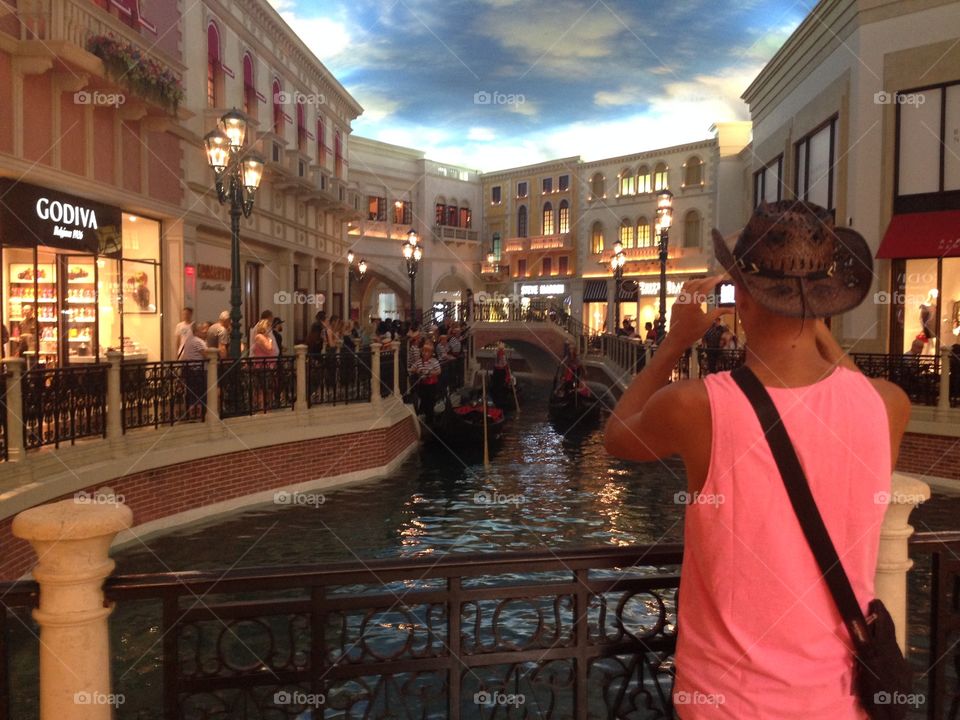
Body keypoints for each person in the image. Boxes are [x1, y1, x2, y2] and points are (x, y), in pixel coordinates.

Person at [604, 201, 910, 719]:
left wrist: (676, 341)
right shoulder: (887, 405)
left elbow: (618, 436)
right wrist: (812, 320)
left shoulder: (696, 405)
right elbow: (850, 386)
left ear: (740, 297)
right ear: (826, 303)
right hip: (841, 705)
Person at [180, 321, 209, 419]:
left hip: (189, 370)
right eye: (202, 330)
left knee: (192, 393)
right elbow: (207, 355)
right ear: (197, 331)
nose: (204, 332)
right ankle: (199, 414)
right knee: (199, 393)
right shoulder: (198, 341)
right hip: (197, 370)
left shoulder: (189, 340)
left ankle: (191, 414)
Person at [411, 341, 441, 422]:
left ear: (431, 353)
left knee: (430, 401)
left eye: (427, 351)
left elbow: (438, 371)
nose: (425, 353)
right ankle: (426, 415)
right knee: (424, 400)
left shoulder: (434, 361)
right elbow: (412, 369)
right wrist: (418, 370)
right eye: (424, 351)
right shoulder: (419, 361)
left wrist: (430, 373)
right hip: (423, 384)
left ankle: (430, 418)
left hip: (432, 384)